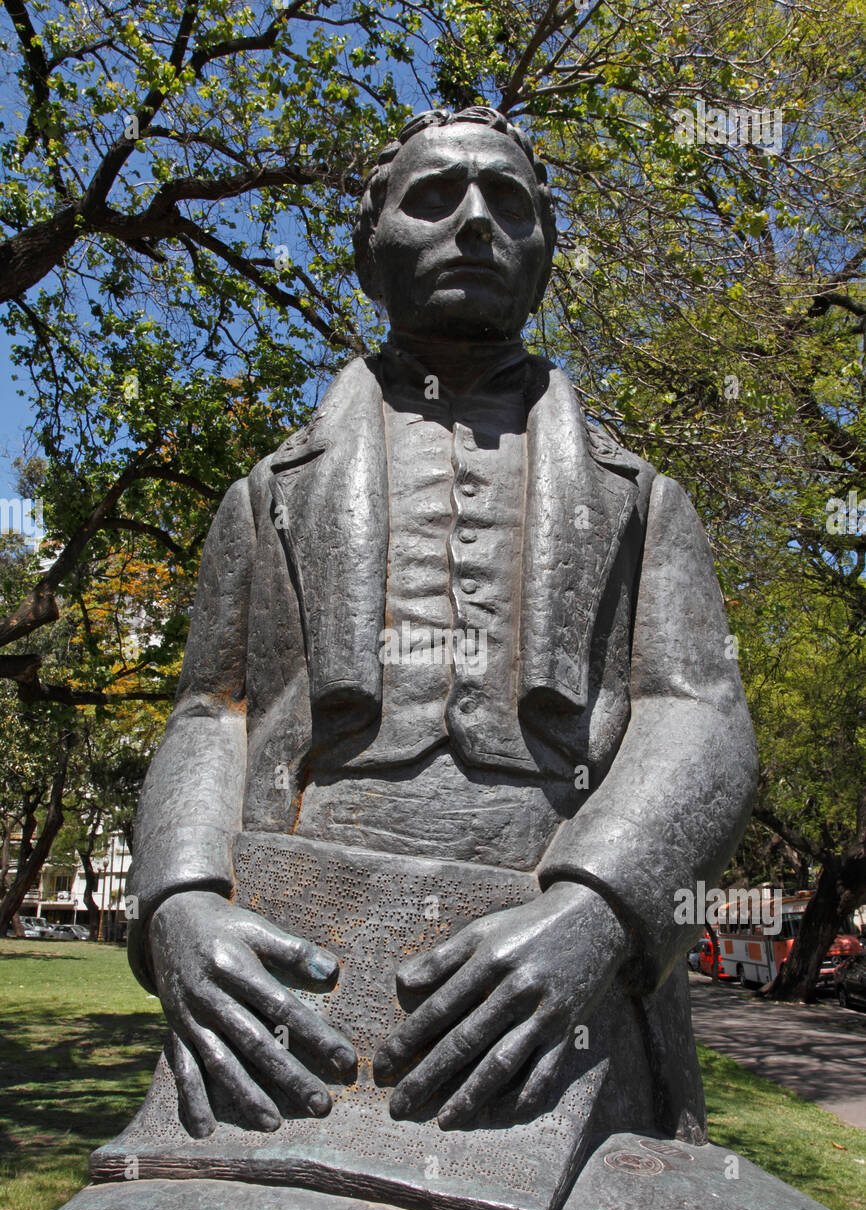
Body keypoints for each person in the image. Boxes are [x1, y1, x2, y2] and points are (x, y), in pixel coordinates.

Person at [127, 106, 756, 1143]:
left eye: (505, 203)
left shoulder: (641, 500)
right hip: (298, 950)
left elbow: (697, 715)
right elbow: (210, 713)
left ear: (546, 251)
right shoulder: (264, 495)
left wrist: (595, 913)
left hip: (555, 948)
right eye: (433, 197)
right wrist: (180, 904)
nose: (473, 221)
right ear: (367, 252)